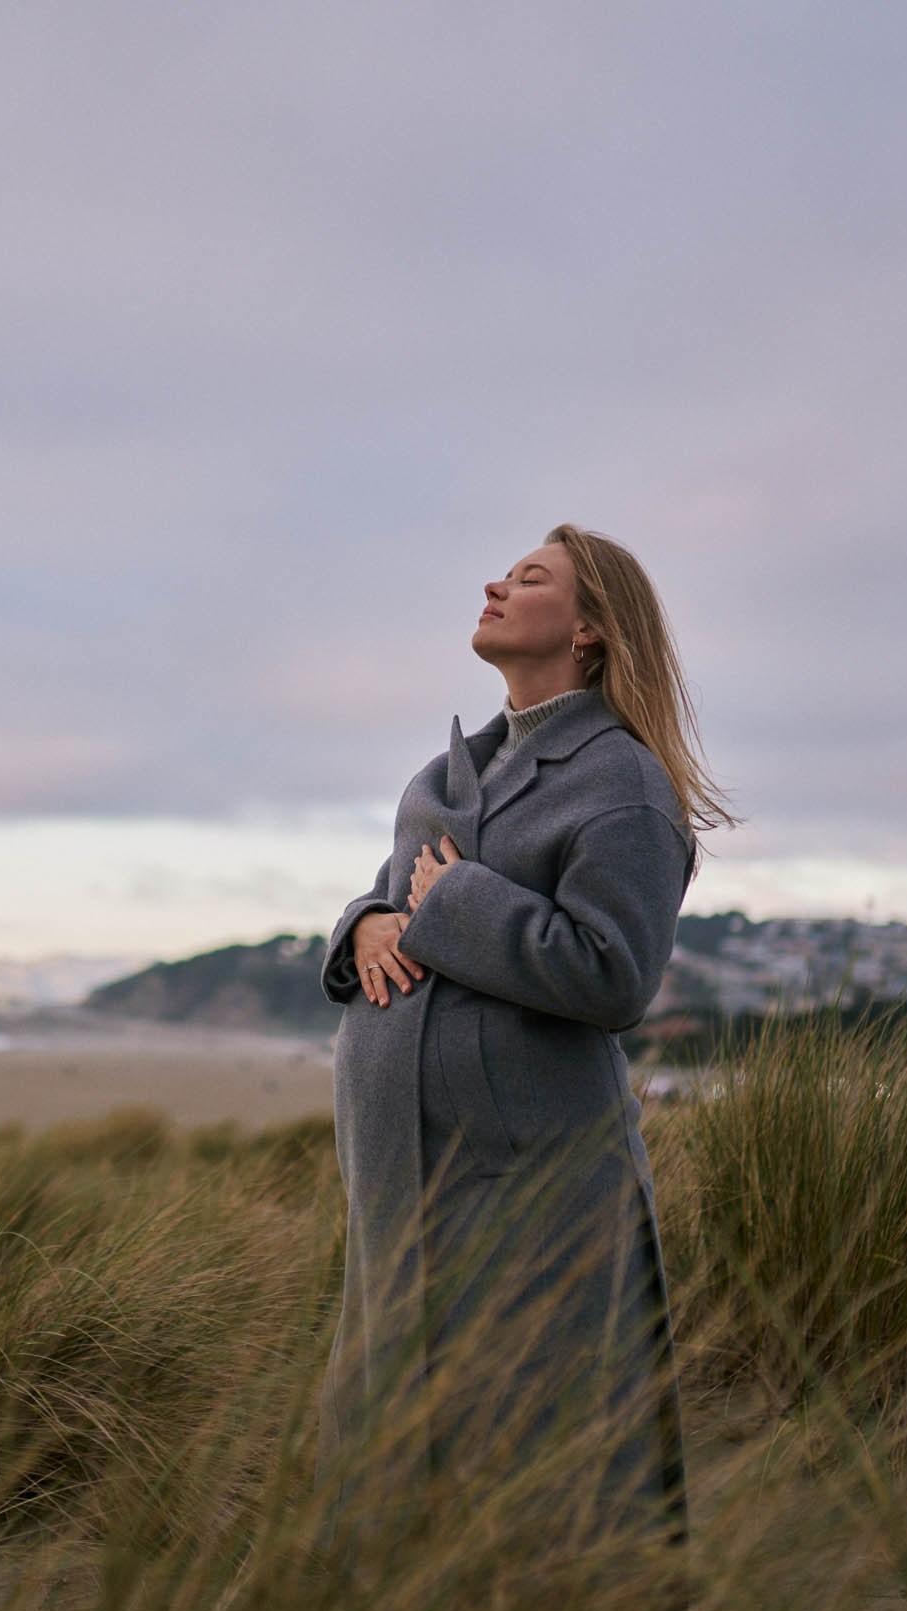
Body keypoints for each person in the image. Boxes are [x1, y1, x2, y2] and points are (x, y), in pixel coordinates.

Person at [315, 524, 735, 1556]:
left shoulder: (621, 787)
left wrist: (456, 901)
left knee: (539, 1450)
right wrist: (363, 926)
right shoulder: (441, 774)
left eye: (530, 578)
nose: (496, 584)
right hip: (397, 1173)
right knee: (386, 1427)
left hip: (530, 1179)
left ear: (589, 631)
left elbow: (612, 974)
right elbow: (394, 901)